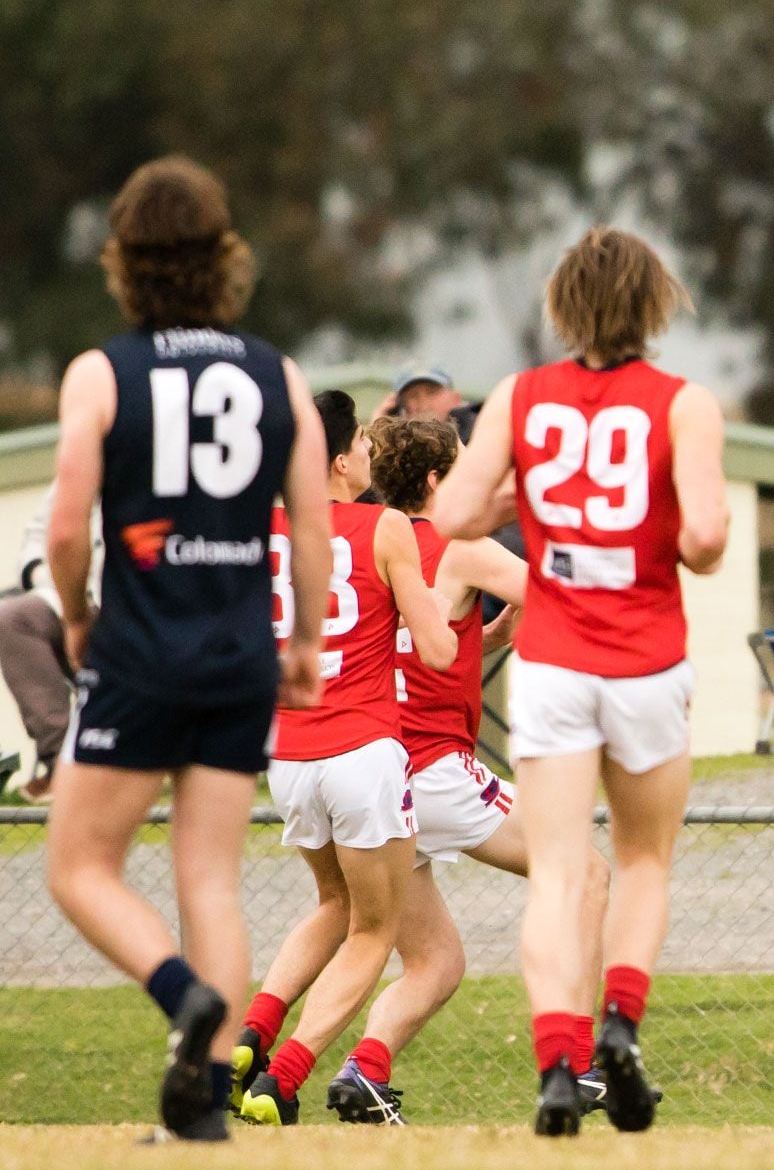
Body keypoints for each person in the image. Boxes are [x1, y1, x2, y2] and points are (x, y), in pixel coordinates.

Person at [41, 155, 327, 1142]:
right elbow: (315, 518)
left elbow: (68, 521)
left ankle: (179, 995)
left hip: (140, 652)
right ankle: (204, 1110)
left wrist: (76, 612)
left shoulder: (102, 372)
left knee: (79, 866)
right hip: (242, 654)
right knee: (211, 879)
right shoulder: (276, 373)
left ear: (123, 260)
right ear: (223, 259)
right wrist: (307, 638)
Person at [431, 226, 730, 1136]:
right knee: (642, 860)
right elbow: (708, 541)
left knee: (558, 871)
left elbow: (449, 514)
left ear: (563, 306)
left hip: (554, 664)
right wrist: (670, 523)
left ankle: (556, 1062)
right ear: (654, 303)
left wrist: (518, 494)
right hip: (645, 660)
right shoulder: (684, 406)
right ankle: (621, 1026)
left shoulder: (521, 397)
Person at [320, 413, 617, 1122]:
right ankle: (577, 1064)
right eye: (463, 468)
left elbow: (411, 651)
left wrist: (482, 637)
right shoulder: (456, 544)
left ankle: (365, 1071)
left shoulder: (372, 546)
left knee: (435, 962)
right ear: (434, 481)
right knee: (586, 874)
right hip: (435, 770)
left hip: (381, 775)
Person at [235, 390, 460, 1126]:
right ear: (338, 460)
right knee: (375, 928)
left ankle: (252, 1035)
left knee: (334, 904)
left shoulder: (265, 528)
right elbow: (434, 649)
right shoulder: (386, 526)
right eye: (362, 439)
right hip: (363, 750)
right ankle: (282, 1081)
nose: (371, 450)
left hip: (289, 753)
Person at [0, 478, 100, 801]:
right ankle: (60, 762)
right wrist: (49, 579)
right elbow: (39, 537)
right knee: (13, 618)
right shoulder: (82, 464)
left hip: (139, 608)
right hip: (66, 597)